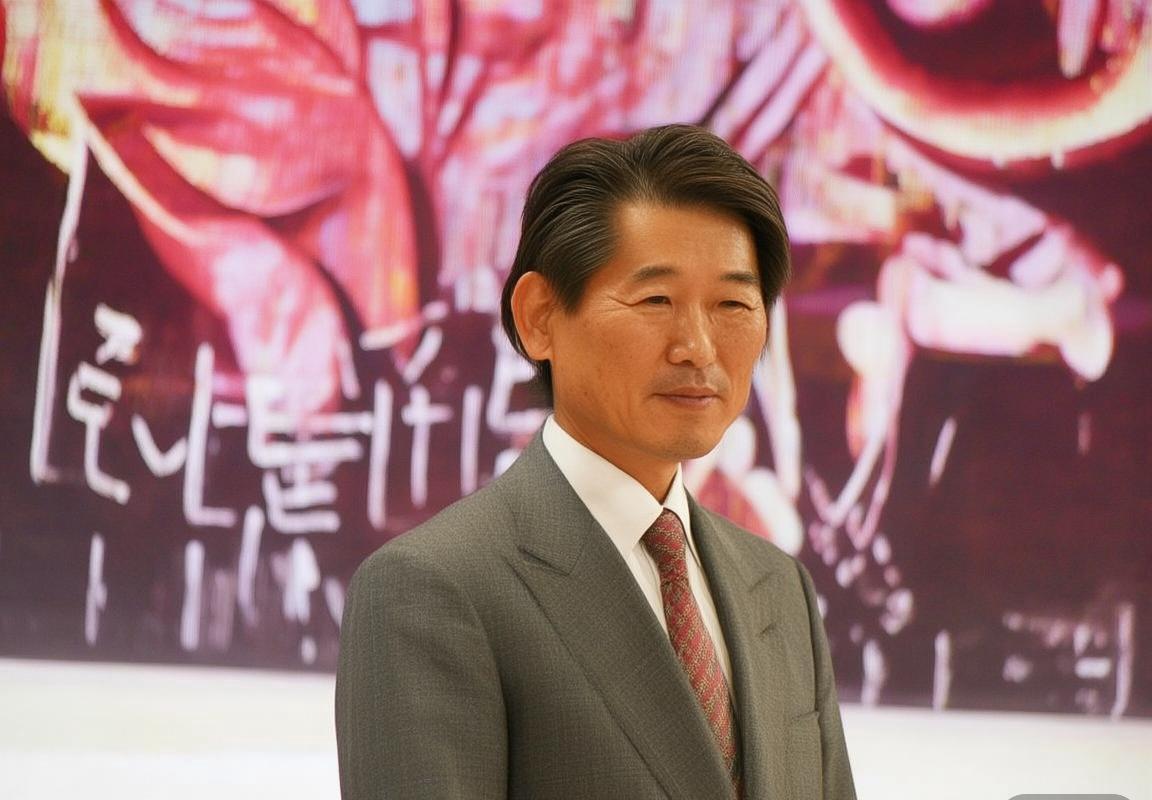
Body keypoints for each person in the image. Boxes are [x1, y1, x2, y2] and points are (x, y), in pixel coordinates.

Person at [335, 124, 856, 800]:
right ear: (539, 316)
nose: (698, 348)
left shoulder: (778, 587)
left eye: (732, 303)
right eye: (656, 301)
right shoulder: (433, 588)